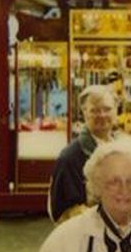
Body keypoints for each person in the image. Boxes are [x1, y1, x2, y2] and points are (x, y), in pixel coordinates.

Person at [49, 85, 118, 223]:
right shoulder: (70, 158)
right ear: (84, 112)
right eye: (95, 110)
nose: (102, 115)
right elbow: (66, 212)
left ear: (116, 110)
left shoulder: (120, 147)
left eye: (107, 109)